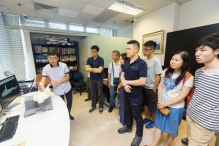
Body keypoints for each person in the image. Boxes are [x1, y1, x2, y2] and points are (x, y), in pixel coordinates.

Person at [145, 51, 194, 146]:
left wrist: (165, 104)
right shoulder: (166, 71)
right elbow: (160, 87)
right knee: (158, 125)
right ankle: (154, 144)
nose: (172, 61)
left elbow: (182, 96)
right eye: (172, 59)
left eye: (176, 60)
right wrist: (160, 102)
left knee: (172, 129)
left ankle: (166, 145)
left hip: (175, 108)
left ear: (184, 62)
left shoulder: (188, 77)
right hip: (161, 104)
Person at [186, 33, 219, 146]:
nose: (197, 53)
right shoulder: (199, 71)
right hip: (191, 115)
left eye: (203, 50)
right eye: (196, 50)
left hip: (206, 122)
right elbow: (197, 94)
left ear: (217, 51)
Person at [118, 40, 147, 146]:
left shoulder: (142, 63)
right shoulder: (127, 62)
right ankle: (128, 127)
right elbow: (122, 75)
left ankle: (139, 136)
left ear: (136, 49)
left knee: (137, 116)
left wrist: (126, 82)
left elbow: (142, 81)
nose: (127, 51)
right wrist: (124, 85)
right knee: (127, 111)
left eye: (129, 49)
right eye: (126, 49)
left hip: (135, 94)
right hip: (126, 92)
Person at [38, 49, 74, 120]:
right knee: (61, 105)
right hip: (58, 90)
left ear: (58, 58)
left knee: (69, 103)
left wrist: (58, 81)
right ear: (48, 58)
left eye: (54, 58)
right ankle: (63, 117)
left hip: (67, 87)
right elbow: (43, 78)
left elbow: (68, 77)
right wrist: (41, 85)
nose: (52, 60)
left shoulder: (64, 65)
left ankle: (68, 114)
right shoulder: (46, 68)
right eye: (50, 58)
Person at [142, 40, 163, 129]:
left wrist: (154, 87)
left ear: (152, 50)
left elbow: (158, 75)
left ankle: (153, 121)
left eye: (146, 49)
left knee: (152, 106)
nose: (144, 51)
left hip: (151, 88)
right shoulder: (145, 60)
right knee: (145, 104)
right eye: (143, 49)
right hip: (144, 86)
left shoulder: (156, 61)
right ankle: (147, 117)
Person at [85, 45, 104, 114]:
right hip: (91, 79)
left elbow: (100, 71)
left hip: (99, 79)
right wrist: (96, 68)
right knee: (93, 94)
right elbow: (87, 69)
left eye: (94, 51)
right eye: (91, 51)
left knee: (100, 94)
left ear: (97, 52)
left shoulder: (101, 59)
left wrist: (91, 69)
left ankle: (101, 106)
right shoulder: (89, 59)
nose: (93, 53)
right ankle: (93, 106)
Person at [117, 53, 129, 125]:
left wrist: (118, 87)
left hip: (123, 87)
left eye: (121, 59)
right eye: (120, 59)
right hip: (122, 88)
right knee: (122, 104)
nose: (120, 60)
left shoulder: (126, 68)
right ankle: (122, 118)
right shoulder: (124, 67)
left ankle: (124, 120)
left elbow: (123, 81)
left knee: (124, 105)